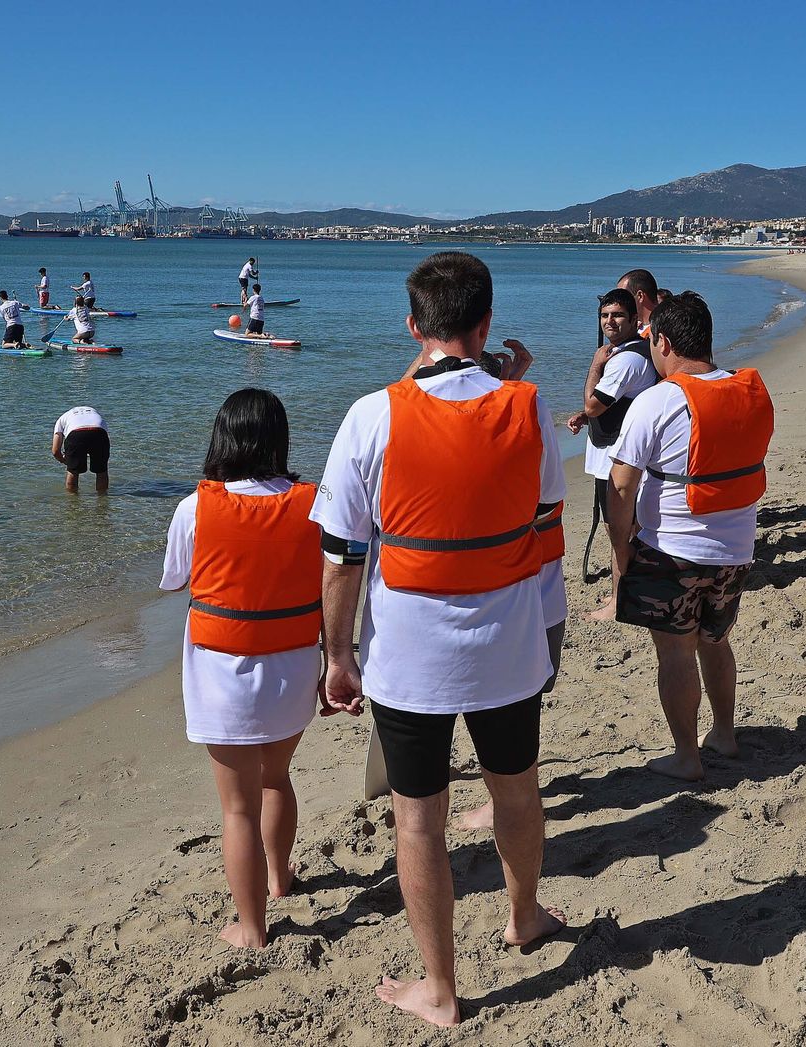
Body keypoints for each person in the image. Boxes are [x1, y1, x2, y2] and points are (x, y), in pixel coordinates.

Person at [315, 252, 566, 1028]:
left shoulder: (371, 415)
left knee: (418, 820)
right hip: (509, 643)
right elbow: (549, 532)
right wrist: (550, 636)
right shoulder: (529, 406)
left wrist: (337, 656)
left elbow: (340, 556)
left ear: (413, 326)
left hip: (409, 656)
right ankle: (524, 916)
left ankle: (441, 988)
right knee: (516, 791)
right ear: (486, 324)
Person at [159, 388, 333, 949]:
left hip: (223, 674)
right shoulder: (314, 503)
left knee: (237, 807)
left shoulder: (194, 508)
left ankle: (253, 928)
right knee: (276, 777)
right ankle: (280, 880)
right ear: (279, 440)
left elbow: (176, 579)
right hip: (293, 666)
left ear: (222, 438)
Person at [606, 292, 773, 782]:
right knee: (716, 641)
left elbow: (620, 484)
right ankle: (724, 733)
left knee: (675, 653)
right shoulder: (750, 390)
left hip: (672, 551)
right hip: (736, 549)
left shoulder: (657, 400)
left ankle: (686, 756)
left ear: (664, 341)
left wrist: (622, 549)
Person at [566, 288, 658, 619]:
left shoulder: (626, 360)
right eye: (605, 316)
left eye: (618, 315)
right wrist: (585, 414)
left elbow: (595, 402)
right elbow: (606, 405)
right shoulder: (636, 353)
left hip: (616, 460)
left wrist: (594, 367)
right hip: (625, 455)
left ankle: (619, 602)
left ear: (635, 319)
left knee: (618, 533)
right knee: (628, 530)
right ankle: (628, 589)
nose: (609, 322)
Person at [52, 405, 109, 493]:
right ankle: (102, 501)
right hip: (99, 433)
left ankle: (73, 502)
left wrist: (65, 460)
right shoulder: (96, 413)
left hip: (76, 435)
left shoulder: (62, 418)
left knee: (73, 472)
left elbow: (55, 451)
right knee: (102, 471)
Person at [617, 268, 660, 339]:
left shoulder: (659, 331)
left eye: (623, 296)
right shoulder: (634, 329)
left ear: (640, 296)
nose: (619, 302)